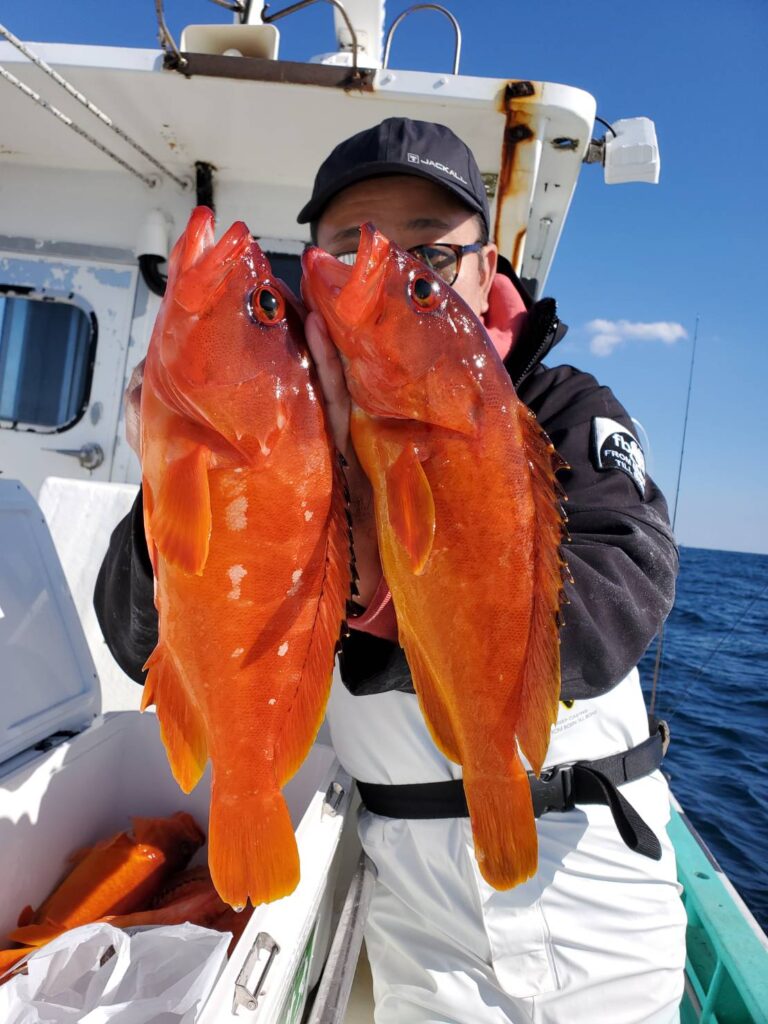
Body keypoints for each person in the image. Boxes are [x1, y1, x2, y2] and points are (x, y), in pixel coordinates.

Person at [95, 118, 687, 1023]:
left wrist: (382, 588)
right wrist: (174, 479)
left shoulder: (565, 408)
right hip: (412, 913)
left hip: (592, 879)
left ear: (487, 270)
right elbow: (138, 642)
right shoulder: (283, 416)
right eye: (349, 246)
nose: (384, 263)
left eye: (430, 255)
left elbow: (616, 607)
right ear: (314, 273)